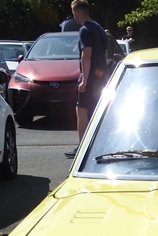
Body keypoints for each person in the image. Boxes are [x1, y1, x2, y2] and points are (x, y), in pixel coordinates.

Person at [66, 0, 108, 158]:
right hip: (101, 79)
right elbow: (105, 54)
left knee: (81, 111)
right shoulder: (100, 29)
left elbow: (86, 55)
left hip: (90, 80)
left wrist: (84, 80)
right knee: (97, 111)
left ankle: (82, 147)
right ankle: (99, 145)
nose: (74, 17)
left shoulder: (85, 30)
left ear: (78, 12)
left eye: (74, 13)